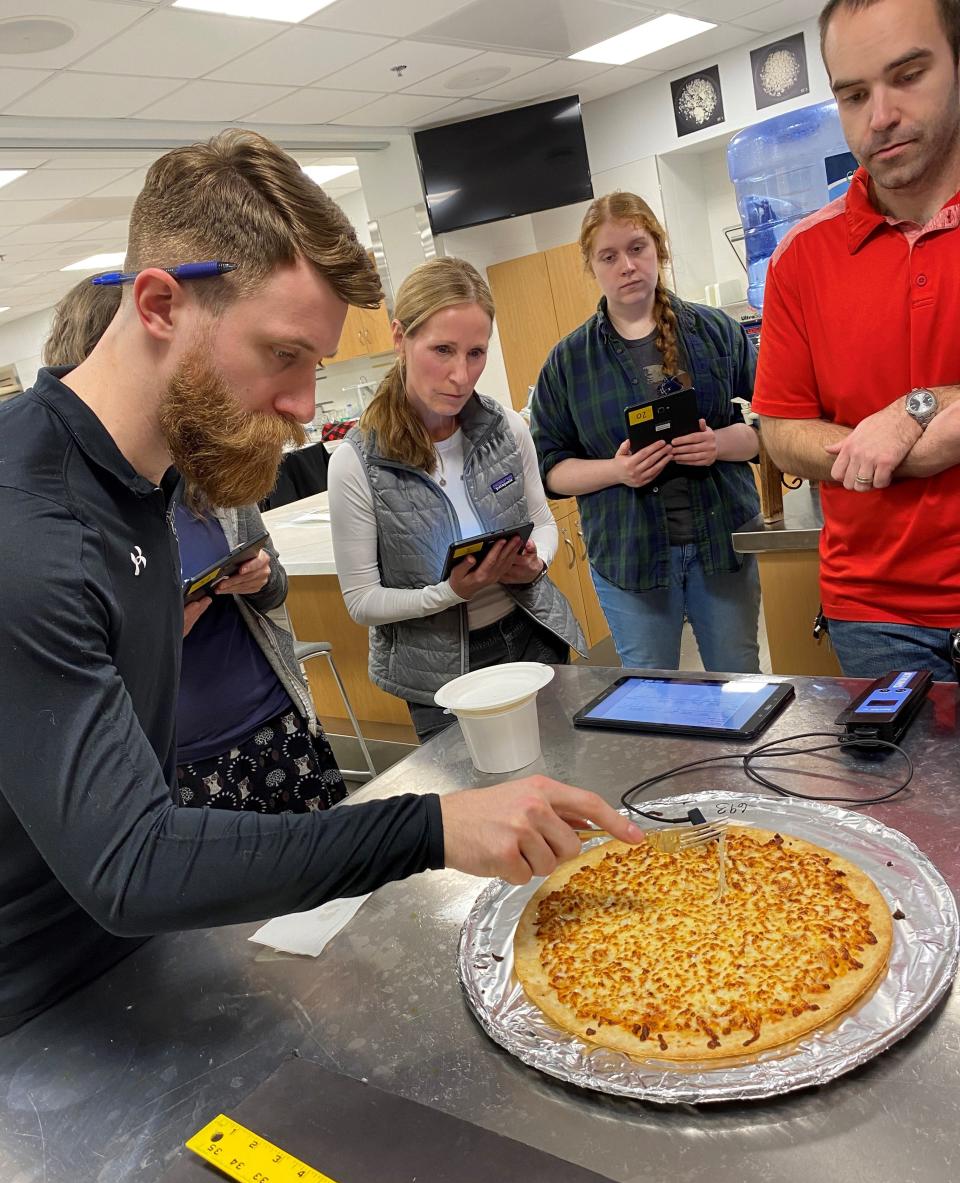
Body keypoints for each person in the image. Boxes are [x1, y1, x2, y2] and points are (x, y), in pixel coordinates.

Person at [0, 130, 642, 1037]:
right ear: (157, 305)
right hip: (36, 1014)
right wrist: (435, 826)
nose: (307, 406)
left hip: (140, 962)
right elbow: (130, 862)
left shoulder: (150, 478)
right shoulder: (26, 528)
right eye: (282, 355)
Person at [44, 278, 346, 815]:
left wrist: (259, 578)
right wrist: (158, 636)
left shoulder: (211, 476)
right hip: (180, 761)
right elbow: (68, 688)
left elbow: (274, 586)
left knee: (343, 893)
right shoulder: (67, 517)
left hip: (275, 720)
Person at [753, 0, 960, 680]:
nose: (880, 116)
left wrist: (914, 411)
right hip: (874, 618)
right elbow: (780, 432)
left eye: (908, 75)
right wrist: (890, 451)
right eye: (854, 94)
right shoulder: (799, 258)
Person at [328, 257, 583, 743]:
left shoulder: (506, 428)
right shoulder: (356, 463)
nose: (461, 375)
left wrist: (537, 563)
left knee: (559, 781)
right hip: (439, 675)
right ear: (400, 338)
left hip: (533, 637)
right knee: (475, 806)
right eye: (442, 350)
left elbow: (542, 522)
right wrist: (450, 594)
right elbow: (361, 601)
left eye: (476, 353)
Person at [531, 193, 762, 673]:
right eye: (609, 256)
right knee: (653, 700)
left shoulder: (717, 332)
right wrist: (617, 471)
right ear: (592, 266)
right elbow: (551, 470)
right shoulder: (569, 362)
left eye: (637, 248)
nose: (626, 266)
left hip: (721, 543)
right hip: (629, 557)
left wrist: (718, 444)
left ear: (659, 249)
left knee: (740, 683)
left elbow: (770, 429)